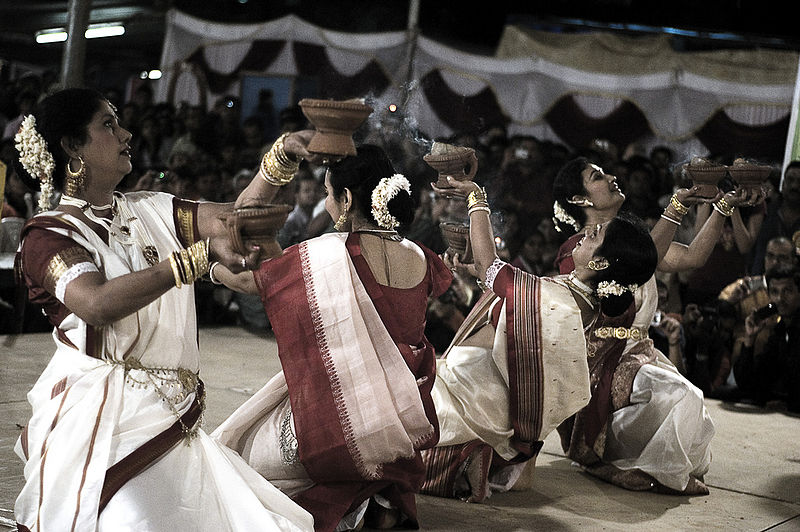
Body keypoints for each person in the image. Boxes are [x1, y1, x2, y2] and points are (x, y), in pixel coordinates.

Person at [12, 88, 312, 531]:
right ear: (73, 147)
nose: (126, 133)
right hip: (105, 423)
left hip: (174, 422)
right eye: (108, 125)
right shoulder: (48, 236)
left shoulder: (150, 208)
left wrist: (282, 156)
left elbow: (235, 221)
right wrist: (195, 258)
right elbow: (96, 304)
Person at [210, 139, 452, 532]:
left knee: (235, 458)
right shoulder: (422, 256)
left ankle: (347, 502)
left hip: (340, 427)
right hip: (403, 424)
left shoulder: (328, 253)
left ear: (346, 197)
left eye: (327, 194)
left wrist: (206, 266)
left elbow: (248, 282)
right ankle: (378, 497)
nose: (326, 203)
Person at [419, 175, 656, 503]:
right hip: (489, 391)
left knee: (394, 434)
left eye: (596, 234)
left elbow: (495, 270)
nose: (588, 232)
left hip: (476, 390)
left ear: (600, 262)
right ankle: (474, 456)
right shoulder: (577, 297)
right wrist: (472, 270)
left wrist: (477, 198)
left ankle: (471, 454)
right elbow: (502, 284)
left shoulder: (563, 300)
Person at [548, 156, 746, 494]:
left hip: (640, 353)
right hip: (601, 365)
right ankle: (633, 462)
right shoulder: (580, 251)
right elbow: (641, 259)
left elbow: (693, 258)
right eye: (597, 176)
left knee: (694, 421)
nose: (611, 176)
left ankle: (633, 458)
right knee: (681, 397)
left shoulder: (632, 238)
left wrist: (724, 206)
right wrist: (676, 205)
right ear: (580, 200)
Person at [734, 262, 800, 413]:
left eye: (787, 291)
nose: (779, 298)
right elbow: (748, 383)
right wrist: (750, 339)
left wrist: (787, 404)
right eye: (774, 292)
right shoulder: (781, 331)